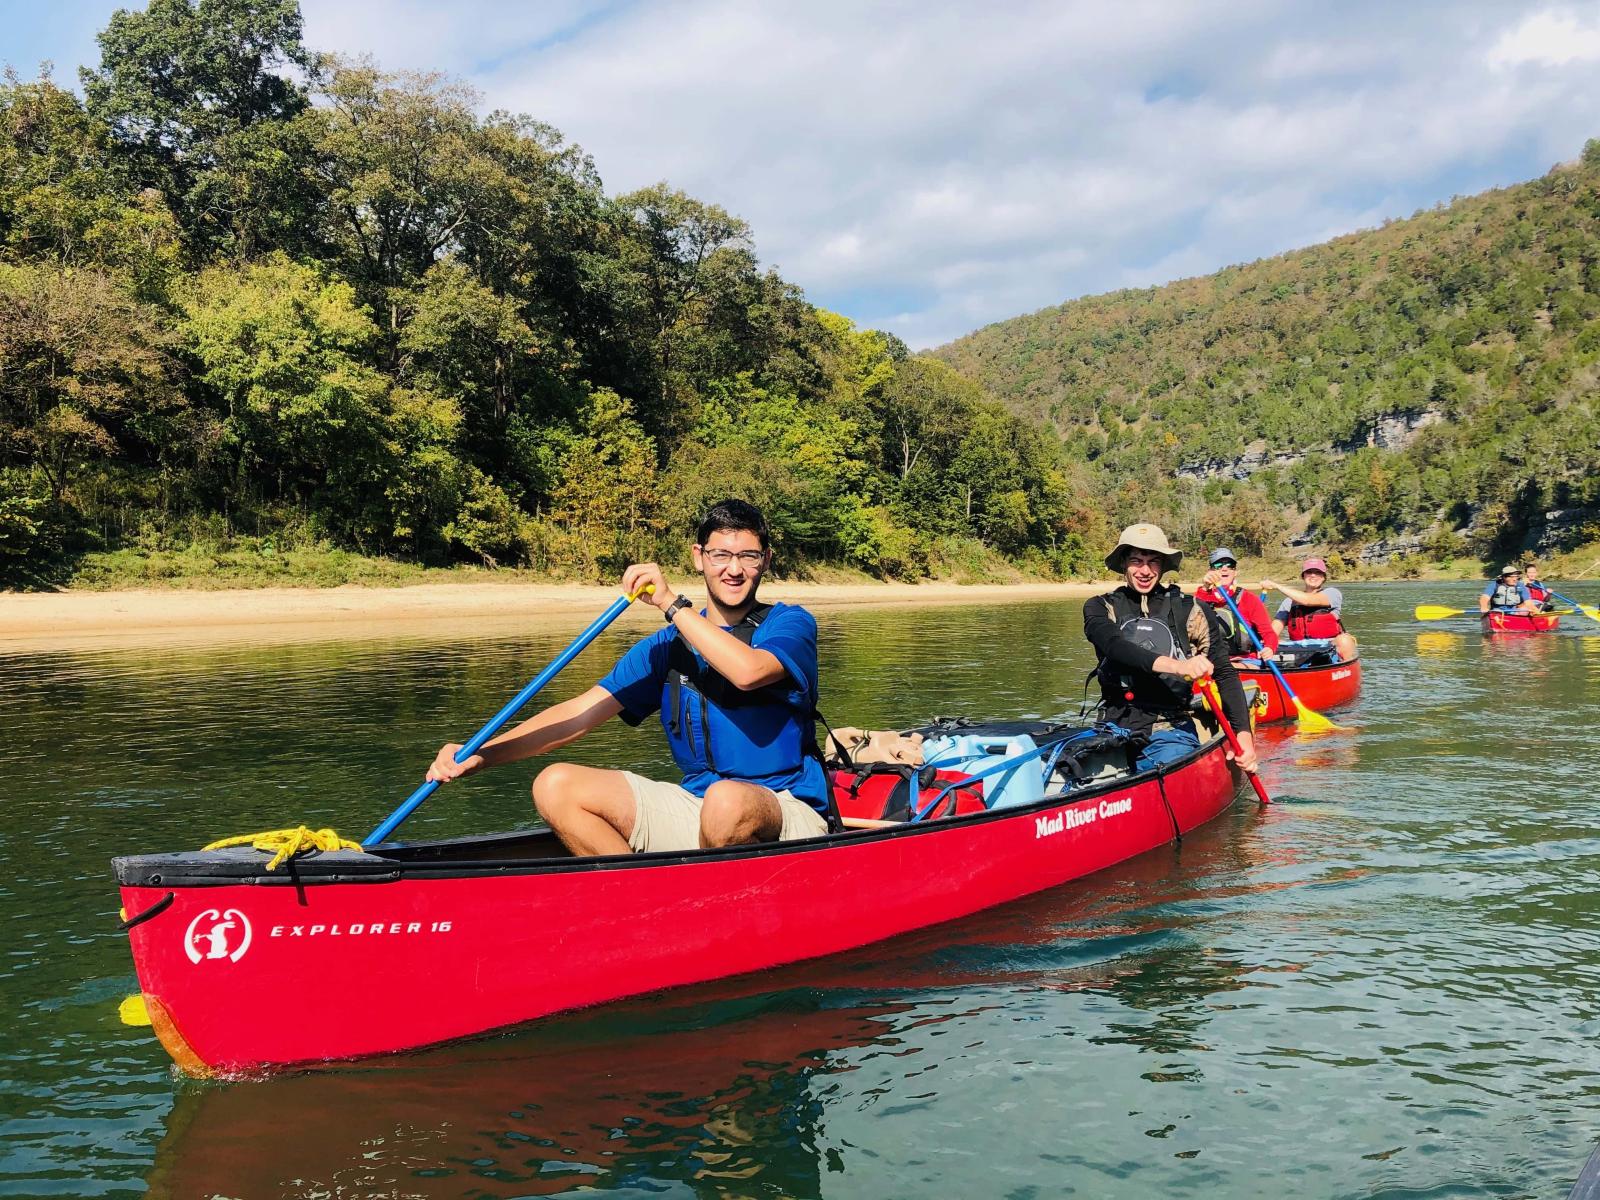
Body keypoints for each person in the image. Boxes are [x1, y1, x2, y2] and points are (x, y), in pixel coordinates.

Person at [426, 499, 833, 856]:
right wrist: (484, 753)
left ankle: (691, 906)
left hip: (785, 807)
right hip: (698, 805)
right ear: (698, 557)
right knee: (555, 784)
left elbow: (749, 671)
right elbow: (580, 713)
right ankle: (638, 895)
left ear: (767, 561)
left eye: (749, 556)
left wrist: (671, 603)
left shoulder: (790, 623)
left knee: (726, 801)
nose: (734, 570)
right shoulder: (667, 647)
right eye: (720, 555)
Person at [1083, 523, 1259, 775]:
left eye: (1153, 562)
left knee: (1164, 761)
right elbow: (1115, 646)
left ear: (1164, 565)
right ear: (1124, 563)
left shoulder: (1192, 610)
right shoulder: (1100, 607)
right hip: (1113, 725)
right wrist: (1179, 666)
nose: (1145, 570)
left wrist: (1243, 733)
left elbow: (1224, 673)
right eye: (1136, 561)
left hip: (1170, 727)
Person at [1264, 557, 1358, 662]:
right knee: (1268, 642)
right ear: (1303, 576)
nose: (1313, 575)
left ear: (1323, 577)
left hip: (1328, 646)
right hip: (1298, 649)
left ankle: (1342, 668)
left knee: (1345, 640)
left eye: (1318, 572)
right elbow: (1273, 630)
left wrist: (1277, 586)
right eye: (1309, 572)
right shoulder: (1288, 602)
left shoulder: (1333, 593)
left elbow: (1307, 600)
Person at [1195, 546, 1279, 659]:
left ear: (1235, 572)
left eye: (1230, 565)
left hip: (1243, 659)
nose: (1224, 569)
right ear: (1210, 571)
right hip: (1208, 659)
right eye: (1218, 565)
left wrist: (1269, 648)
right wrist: (1205, 588)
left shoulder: (1249, 599)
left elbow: (1269, 633)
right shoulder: (1200, 597)